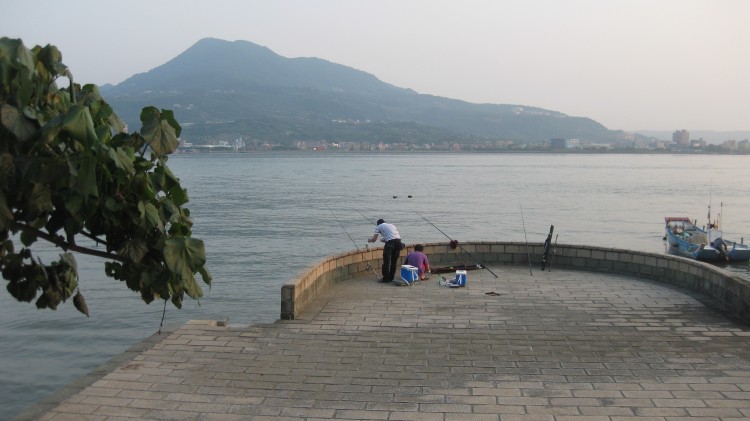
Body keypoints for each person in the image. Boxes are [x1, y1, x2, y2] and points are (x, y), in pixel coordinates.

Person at [368, 219, 402, 283]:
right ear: (384, 222)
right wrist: (384, 240)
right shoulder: (392, 225)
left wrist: (369, 240)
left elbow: (374, 239)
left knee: (386, 261)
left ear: (378, 224)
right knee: (394, 262)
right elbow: (393, 237)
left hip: (389, 244)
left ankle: (385, 279)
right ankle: (391, 278)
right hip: (398, 242)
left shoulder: (378, 227)